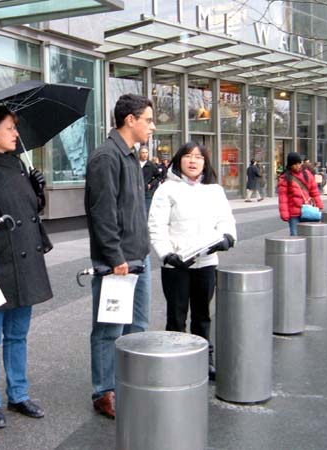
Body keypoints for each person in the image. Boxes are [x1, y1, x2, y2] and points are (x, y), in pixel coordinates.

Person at [0, 105, 53, 429]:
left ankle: (18, 394)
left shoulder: (17, 164)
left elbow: (29, 210)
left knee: (18, 335)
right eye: (10, 128)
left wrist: (38, 191)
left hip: (25, 263)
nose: (16, 134)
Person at [84, 93, 155, 419]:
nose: (152, 127)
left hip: (138, 257)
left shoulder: (129, 156)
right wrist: (115, 258)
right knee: (109, 329)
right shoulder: (106, 157)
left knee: (137, 325)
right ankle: (104, 392)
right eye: (148, 120)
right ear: (130, 120)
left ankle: (128, 384)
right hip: (118, 263)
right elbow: (103, 214)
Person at [148, 142, 236, 381]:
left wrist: (228, 237)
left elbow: (225, 219)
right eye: (188, 156)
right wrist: (167, 254)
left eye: (198, 157)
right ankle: (175, 362)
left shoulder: (214, 190)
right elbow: (157, 226)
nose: (193, 161)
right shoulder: (166, 189)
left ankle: (204, 359)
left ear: (205, 162)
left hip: (206, 262)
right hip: (176, 264)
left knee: (202, 315)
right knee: (176, 316)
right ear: (179, 160)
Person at [278, 152, 324, 236]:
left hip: (307, 210)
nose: (298, 166)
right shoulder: (285, 178)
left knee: (309, 235)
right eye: (295, 164)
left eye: (299, 163)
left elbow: (314, 191)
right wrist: (285, 214)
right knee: (295, 235)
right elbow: (283, 198)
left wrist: (319, 205)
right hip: (294, 213)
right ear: (290, 165)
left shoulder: (307, 174)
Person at [139, 145, 163, 212]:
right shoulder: (135, 164)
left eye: (146, 152)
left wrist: (151, 184)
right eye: (143, 152)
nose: (145, 154)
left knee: (146, 211)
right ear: (139, 153)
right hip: (136, 192)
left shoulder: (151, 165)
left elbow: (159, 176)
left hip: (147, 193)